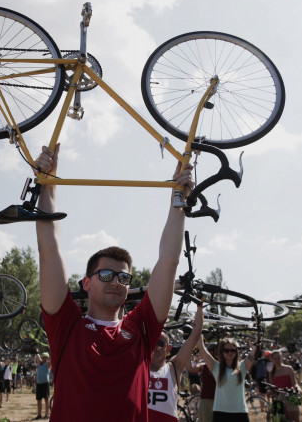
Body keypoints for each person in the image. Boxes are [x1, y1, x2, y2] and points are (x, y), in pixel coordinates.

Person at [35, 143, 193, 421]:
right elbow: (49, 250)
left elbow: (169, 261)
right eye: (106, 275)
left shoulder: (142, 327)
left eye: (123, 277)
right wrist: (48, 184)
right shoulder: (66, 324)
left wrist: (178, 196)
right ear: (86, 283)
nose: (115, 282)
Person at [148, 305, 203, 421]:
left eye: (161, 343)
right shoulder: (140, 365)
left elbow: (195, 335)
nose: (157, 346)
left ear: (168, 348)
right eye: (154, 342)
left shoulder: (174, 367)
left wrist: (200, 305)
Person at [196, 331, 254, 422]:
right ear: (222, 352)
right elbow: (202, 349)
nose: (230, 353)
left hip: (240, 412)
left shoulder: (242, 367)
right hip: (220, 412)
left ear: (236, 352)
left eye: (233, 350)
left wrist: (255, 341)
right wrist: (199, 332)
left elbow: (253, 353)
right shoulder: (216, 367)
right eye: (226, 350)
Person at [269, 350, 302, 422]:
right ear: (272, 359)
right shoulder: (272, 372)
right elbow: (272, 386)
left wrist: (298, 389)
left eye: (279, 357)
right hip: (279, 399)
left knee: (294, 418)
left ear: (282, 357)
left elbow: (294, 383)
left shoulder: (288, 369)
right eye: (275, 358)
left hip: (290, 396)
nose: (277, 360)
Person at [34, 352, 51, 420]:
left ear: (47, 359)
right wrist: (36, 350)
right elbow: (37, 355)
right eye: (43, 357)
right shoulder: (39, 364)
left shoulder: (48, 365)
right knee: (39, 400)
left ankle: (46, 414)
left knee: (46, 399)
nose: (44, 359)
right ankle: (39, 414)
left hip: (45, 384)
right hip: (39, 384)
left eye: (45, 358)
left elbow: (52, 360)